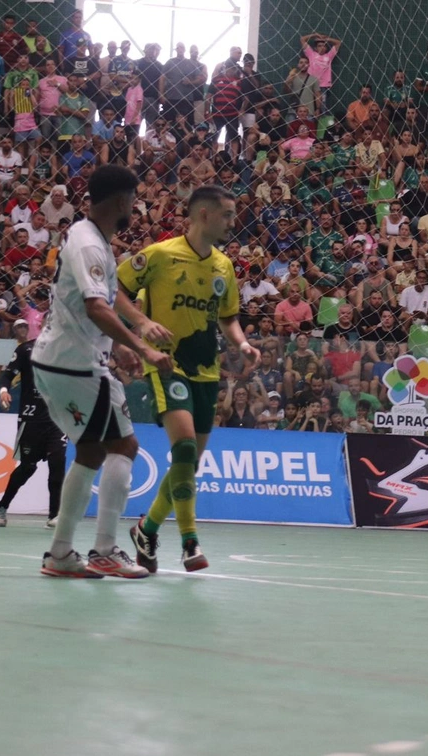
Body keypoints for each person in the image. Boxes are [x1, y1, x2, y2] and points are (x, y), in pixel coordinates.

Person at [31, 164, 173, 579]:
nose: (137, 205)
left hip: (58, 361)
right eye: (135, 198)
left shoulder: (88, 237)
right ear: (121, 200)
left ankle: (60, 555)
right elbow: (96, 308)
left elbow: (103, 303)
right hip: (76, 365)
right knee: (124, 447)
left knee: (92, 451)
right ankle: (106, 550)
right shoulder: (92, 246)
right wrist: (142, 347)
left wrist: (126, 338)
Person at [123, 186, 261, 574]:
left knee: (190, 462)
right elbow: (114, 291)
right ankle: (189, 541)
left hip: (206, 369)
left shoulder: (224, 266)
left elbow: (228, 316)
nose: (233, 222)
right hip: (167, 364)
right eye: (228, 215)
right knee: (184, 447)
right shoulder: (160, 255)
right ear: (204, 214)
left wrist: (243, 343)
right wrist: (143, 322)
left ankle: (146, 529)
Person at [0, 320, 67, 529]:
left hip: (58, 419)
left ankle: (54, 515)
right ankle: (2, 506)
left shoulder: (69, 352)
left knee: (58, 462)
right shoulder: (26, 349)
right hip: (31, 418)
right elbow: (7, 375)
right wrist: (3, 391)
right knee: (27, 467)